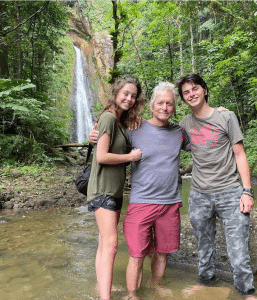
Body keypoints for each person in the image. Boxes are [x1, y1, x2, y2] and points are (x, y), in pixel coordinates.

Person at [89, 81, 191, 299]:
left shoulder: (179, 133)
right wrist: (92, 139)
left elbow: (203, 141)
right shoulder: (133, 130)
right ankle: (133, 294)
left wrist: (216, 115)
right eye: (161, 103)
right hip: (140, 202)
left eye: (170, 104)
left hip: (170, 202)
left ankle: (157, 286)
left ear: (174, 107)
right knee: (136, 254)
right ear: (152, 105)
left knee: (162, 252)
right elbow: (111, 143)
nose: (165, 107)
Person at [176, 73, 256, 299]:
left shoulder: (226, 117)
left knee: (239, 250)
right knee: (204, 249)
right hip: (199, 195)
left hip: (230, 192)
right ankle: (207, 286)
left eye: (195, 89)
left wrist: (247, 191)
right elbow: (161, 136)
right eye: (186, 92)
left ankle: (247, 292)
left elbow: (240, 155)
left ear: (204, 89)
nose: (191, 94)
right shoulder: (184, 125)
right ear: (183, 98)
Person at [87, 76, 144, 300]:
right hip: (103, 190)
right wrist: (131, 156)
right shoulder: (109, 118)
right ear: (116, 92)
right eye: (125, 93)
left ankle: (100, 290)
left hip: (114, 190)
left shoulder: (119, 121)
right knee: (111, 244)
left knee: (104, 243)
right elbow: (101, 156)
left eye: (133, 95)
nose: (129, 98)